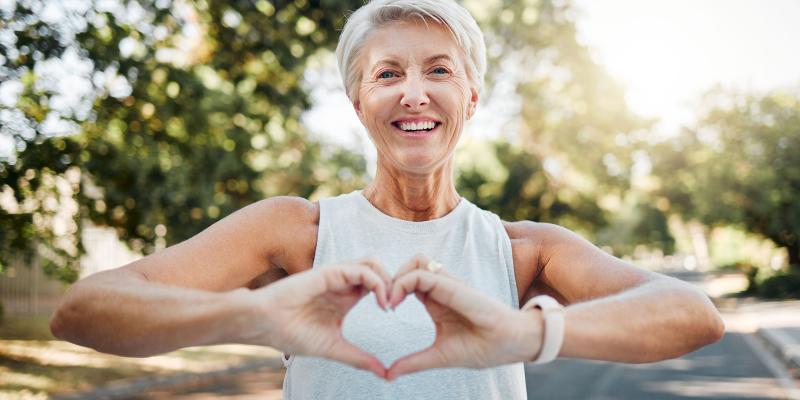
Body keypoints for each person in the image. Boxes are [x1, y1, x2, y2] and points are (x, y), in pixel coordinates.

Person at [50, 0, 725, 399]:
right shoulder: (295, 232)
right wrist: (254, 315)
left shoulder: (524, 251)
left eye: (438, 70)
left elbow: (692, 315)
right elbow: (83, 312)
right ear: (358, 102)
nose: (413, 92)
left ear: (470, 98)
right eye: (387, 74)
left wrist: (525, 332)